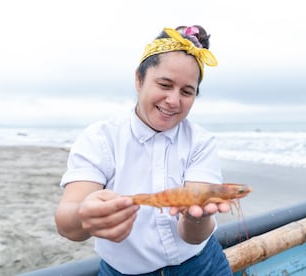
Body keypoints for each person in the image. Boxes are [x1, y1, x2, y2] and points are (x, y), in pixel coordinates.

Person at [55, 25, 234, 275]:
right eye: (164, 84)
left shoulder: (200, 142)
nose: (173, 100)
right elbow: (68, 223)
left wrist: (198, 216)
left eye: (186, 91)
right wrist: (84, 215)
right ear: (139, 79)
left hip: (204, 265)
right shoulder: (100, 138)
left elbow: (193, 236)